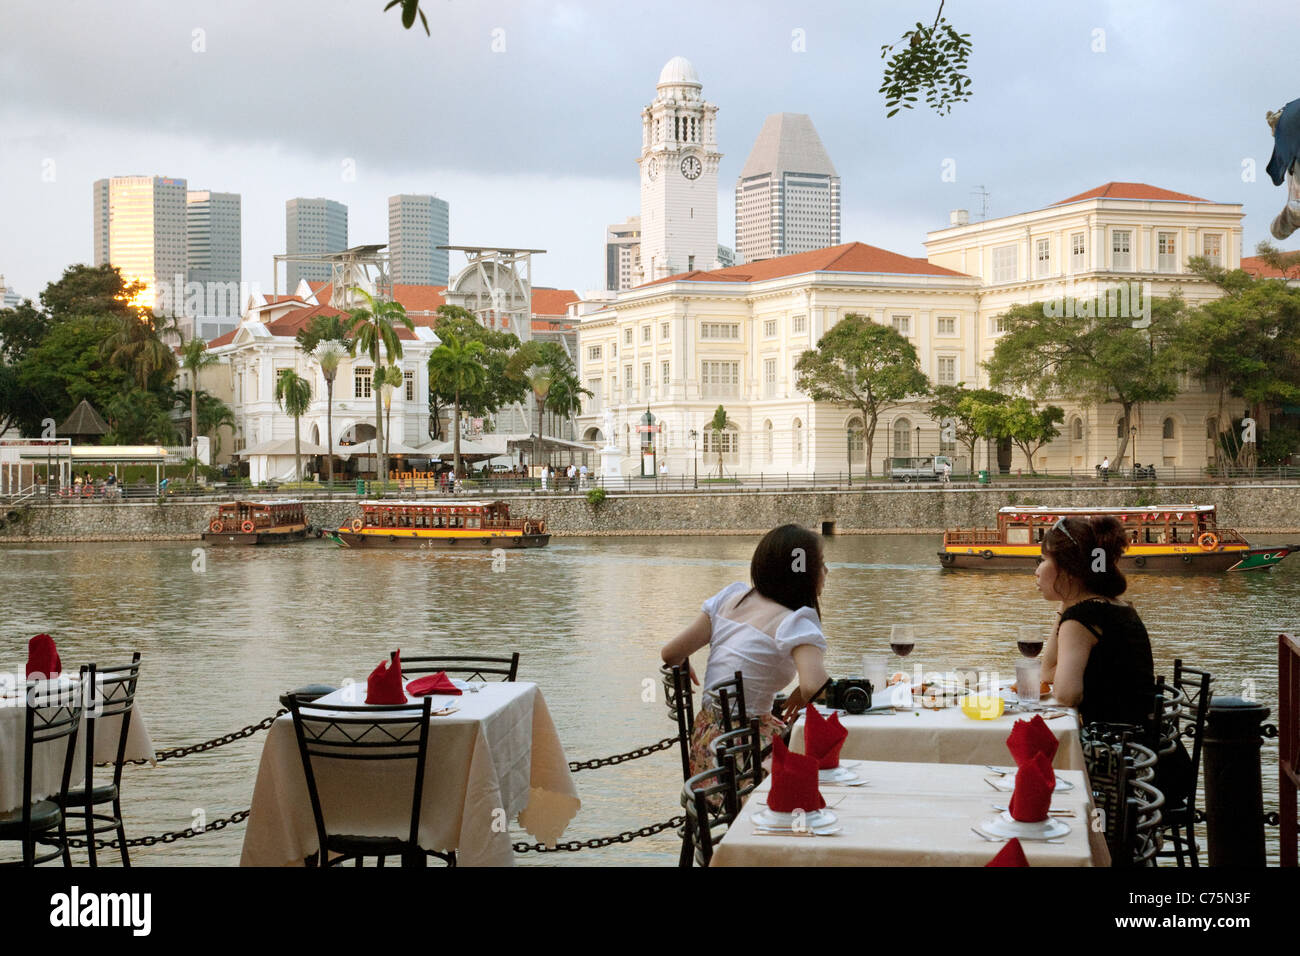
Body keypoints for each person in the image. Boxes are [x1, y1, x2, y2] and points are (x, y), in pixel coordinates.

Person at [660, 523, 832, 777]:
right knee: (834, 756)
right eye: (821, 563)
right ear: (801, 573)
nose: (826, 571)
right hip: (747, 756)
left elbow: (671, 653)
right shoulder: (795, 621)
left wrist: (684, 664)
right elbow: (814, 687)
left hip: (708, 748)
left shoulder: (731, 598)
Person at [1036, 515, 1154, 727]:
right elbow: (1048, 673)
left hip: (1115, 748)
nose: (1037, 571)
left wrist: (1069, 606)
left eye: (1043, 560)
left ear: (1069, 569)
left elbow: (1066, 696)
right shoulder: (1117, 607)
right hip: (1143, 742)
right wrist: (1066, 601)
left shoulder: (1081, 620)